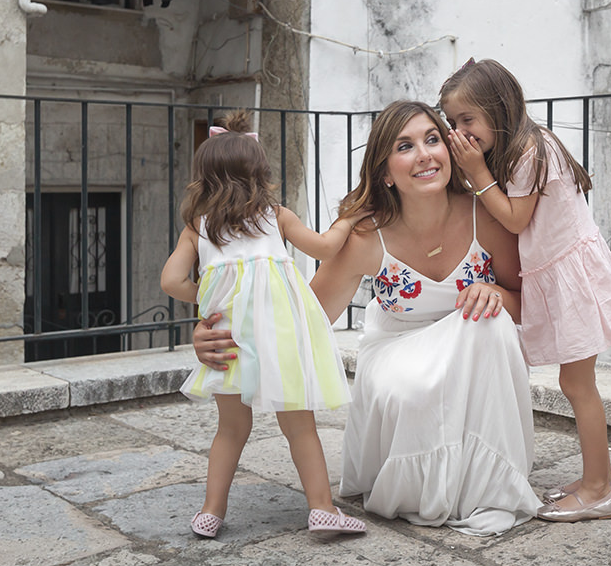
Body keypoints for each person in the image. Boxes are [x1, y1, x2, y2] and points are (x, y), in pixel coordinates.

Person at [189, 100, 541, 537]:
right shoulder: (364, 236)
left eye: (433, 140)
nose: (426, 154)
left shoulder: (484, 217)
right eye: (405, 146)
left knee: (488, 324)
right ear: (386, 172)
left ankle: (485, 485)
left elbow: (529, 304)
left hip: (474, 353)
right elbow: (301, 320)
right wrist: (212, 331)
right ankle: (425, 486)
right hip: (399, 352)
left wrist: (497, 294)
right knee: (426, 376)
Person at [439, 58, 611, 522]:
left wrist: (475, 172)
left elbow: (513, 218)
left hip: (573, 276)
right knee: (576, 383)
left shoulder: (530, 150)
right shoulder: (522, 147)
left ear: (498, 107)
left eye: (468, 120)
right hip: (563, 270)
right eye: (453, 122)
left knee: (577, 384)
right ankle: (596, 478)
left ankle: (598, 491)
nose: (460, 131)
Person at [160, 111, 365, 540]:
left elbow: (171, 281)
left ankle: (210, 512)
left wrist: (216, 294)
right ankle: (322, 508)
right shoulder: (276, 216)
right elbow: (326, 247)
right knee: (299, 424)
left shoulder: (198, 229)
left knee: (231, 427)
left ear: (205, 177)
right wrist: (349, 216)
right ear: (259, 173)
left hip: (227, 339)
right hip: (282, 339)